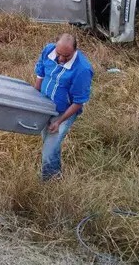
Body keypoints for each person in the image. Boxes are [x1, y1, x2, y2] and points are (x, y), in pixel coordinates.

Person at [34, 33, 93, 181]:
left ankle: (48, 183)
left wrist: (59, 122)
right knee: (49, 142)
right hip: (45, 104)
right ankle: (56, 176)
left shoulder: (82, 70)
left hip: (64, 112)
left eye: (66, 57)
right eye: (59, 54)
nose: (61, 59)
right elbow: (40, 74)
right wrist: (34, 99)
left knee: (48, 150)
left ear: (74, 51)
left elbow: (78, 102)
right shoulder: (48, 50)